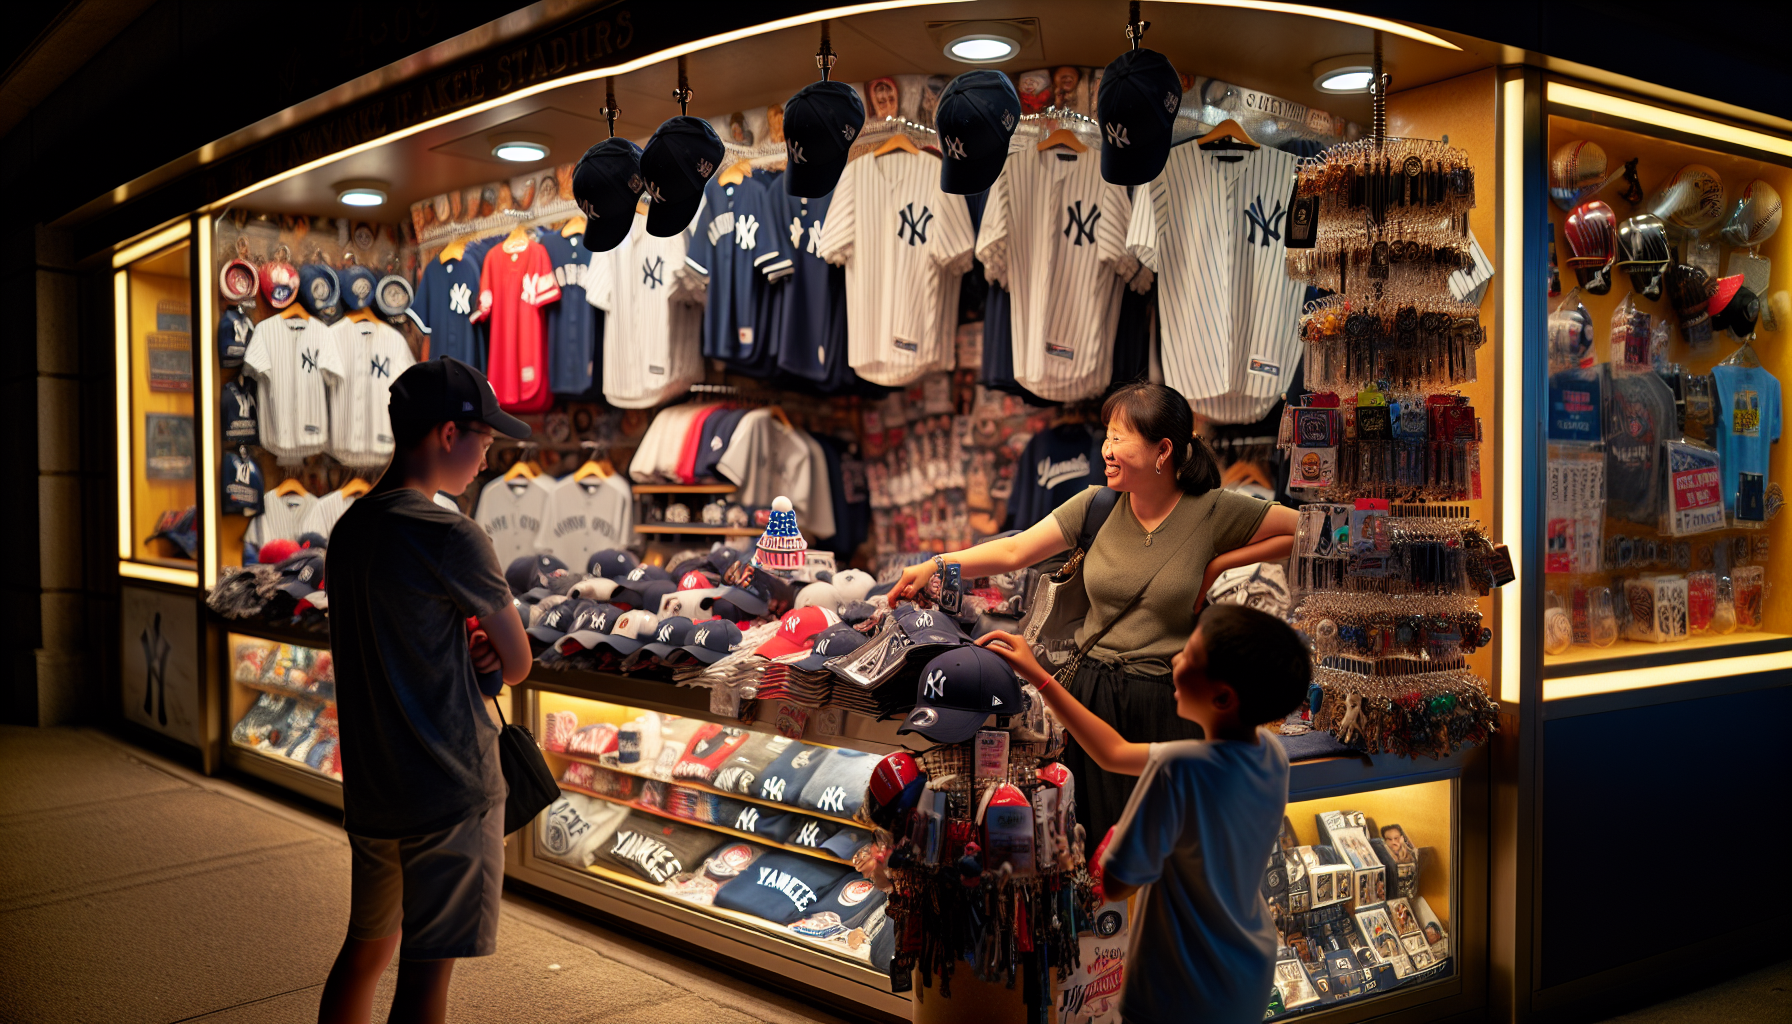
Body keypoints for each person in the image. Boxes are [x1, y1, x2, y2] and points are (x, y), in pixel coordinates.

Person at [893, 381, 1297, 845]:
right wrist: (936, 565)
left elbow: (1303, 529)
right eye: (1107, 436)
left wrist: (1221, 562)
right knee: (1085, 845)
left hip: (1168, 702)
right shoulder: (1096, 506)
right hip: (1089, 696)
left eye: (1119, 437)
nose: (1106, 449)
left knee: (1155, 847)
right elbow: (1015, 551)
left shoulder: (1211, 512)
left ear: (1163, 450)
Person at [317, 357, 534, 1024]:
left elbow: (393, 640)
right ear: (448, 434)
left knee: (364, 954)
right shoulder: (452, 533)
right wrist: (485, 648)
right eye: (485, 441)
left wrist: (456, 645)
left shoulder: (350, 530)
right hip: (449, 790)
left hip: (376, 787)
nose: (486, 457)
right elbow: (519, 661)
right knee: (424, 980)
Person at [977, 603, 1311, 1024]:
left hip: (1176, 990)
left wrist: (1117, 835)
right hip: (1246, 976)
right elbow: (1113, 752)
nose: (1175, 659)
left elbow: (1117, 882)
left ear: (1222, 696)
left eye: (1189, 654)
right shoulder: (1272, 756)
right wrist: (1041, 678)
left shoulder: (1175, 772)